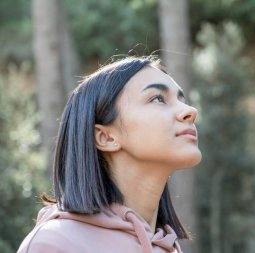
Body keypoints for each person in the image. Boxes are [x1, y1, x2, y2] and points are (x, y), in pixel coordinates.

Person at [17, 56, 202, 253]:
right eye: (158, 98)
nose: (190, 110)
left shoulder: (168, 247)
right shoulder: (54, 244)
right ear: (105, 137)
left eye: (182, 100)